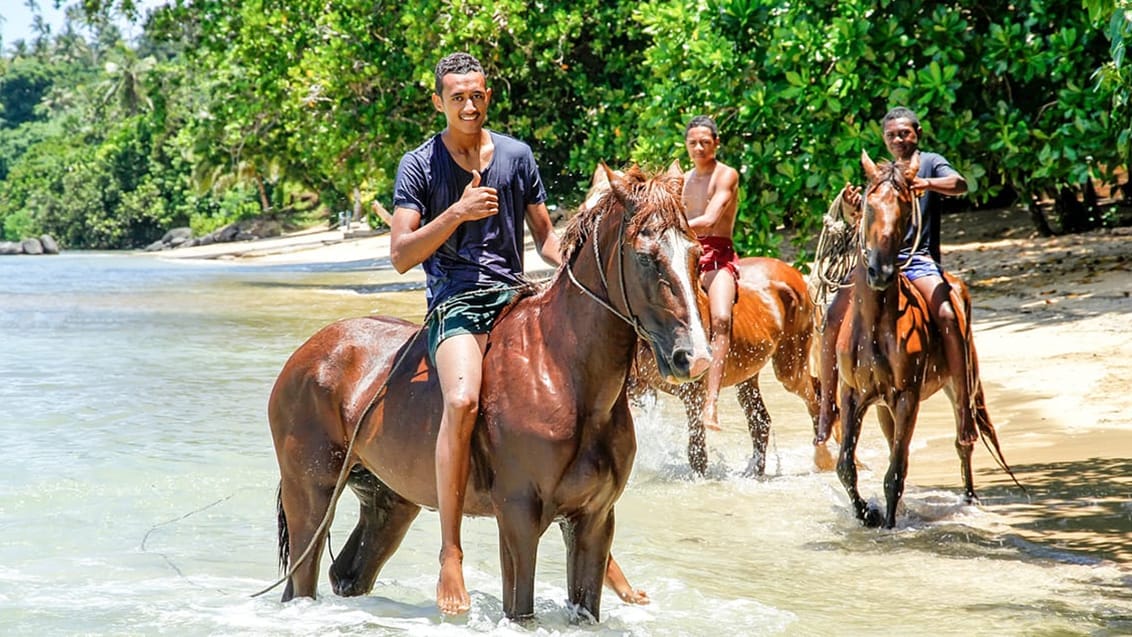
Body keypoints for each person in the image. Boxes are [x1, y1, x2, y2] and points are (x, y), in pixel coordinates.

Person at [389, 52, 561, 616]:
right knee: (462, 400)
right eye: (457, 96)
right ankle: (450, 552)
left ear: (488, 97)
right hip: (456, 300)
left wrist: (579, 272)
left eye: (478, 95)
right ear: (438, 101)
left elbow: (546, 242)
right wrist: (458, 213)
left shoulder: (517, 156)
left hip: (515, 295)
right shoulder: (419, 165)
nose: (469, 105)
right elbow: (400, 256)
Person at [821, 106, 974, 443]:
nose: (898, 139)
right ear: (884, 139)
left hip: (916, 260)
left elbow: (960, 183)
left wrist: (924, 183)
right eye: (891, 134)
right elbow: (866, 222)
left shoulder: (930, 162)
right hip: (875, 260)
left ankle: (964, 407)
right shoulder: (878, 172)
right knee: (832, 316)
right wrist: (852, 208)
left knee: (948, 315)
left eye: (904, 132)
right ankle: (825, 409)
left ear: (916, 132)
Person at [681, 115, 741, 432]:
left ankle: (712, 403)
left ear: (716, 143)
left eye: (705, 141)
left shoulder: (726, 175)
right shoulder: (682, 178)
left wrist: (672, 227)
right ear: (686, 145)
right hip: (686, 254)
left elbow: (711, 217)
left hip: (718, 256)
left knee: (720, 318)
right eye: (693, 142)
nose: (699, 147)